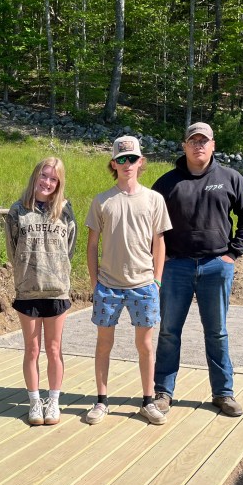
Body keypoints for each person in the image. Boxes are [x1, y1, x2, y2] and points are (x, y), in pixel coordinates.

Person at [152, 122, 243, 417]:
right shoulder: (166, 184)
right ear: (184, 146)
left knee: (217, 333)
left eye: (204, 140)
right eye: (192, 140)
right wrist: (162, 261)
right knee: (169, 332)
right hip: (177, 268)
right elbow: (151, 226)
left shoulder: (230, 179)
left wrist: (233, 253)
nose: (198, 145)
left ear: (213, 145)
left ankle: (223, 393)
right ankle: (163, 392)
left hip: (216, 267)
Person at [85, 136, 172, 426]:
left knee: (145, 345)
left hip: (144, 285)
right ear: (113, 163)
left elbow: (159, 243)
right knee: (103, 344)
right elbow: (91, 244)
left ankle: (148, 401)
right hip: (108, 286)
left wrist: (157, 280)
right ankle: (101, 400)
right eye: (121, 159)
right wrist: (95, 281)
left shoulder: (154, 199)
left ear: (141, 162)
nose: (127, 164)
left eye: (132, 159)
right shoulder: (101, 200)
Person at [5, 157, 77, 426]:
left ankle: (53, 400)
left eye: (53, 178)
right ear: (35, 177)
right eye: (44, 176)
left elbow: (70, 248)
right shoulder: (17, 211)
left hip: (57, 290)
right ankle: (35, 401)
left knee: (54, 348)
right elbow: (13, 250)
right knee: (32, 349)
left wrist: (55, 271)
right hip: (28, 290)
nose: (47, 182)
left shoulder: (65, 211)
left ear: (59, 183)